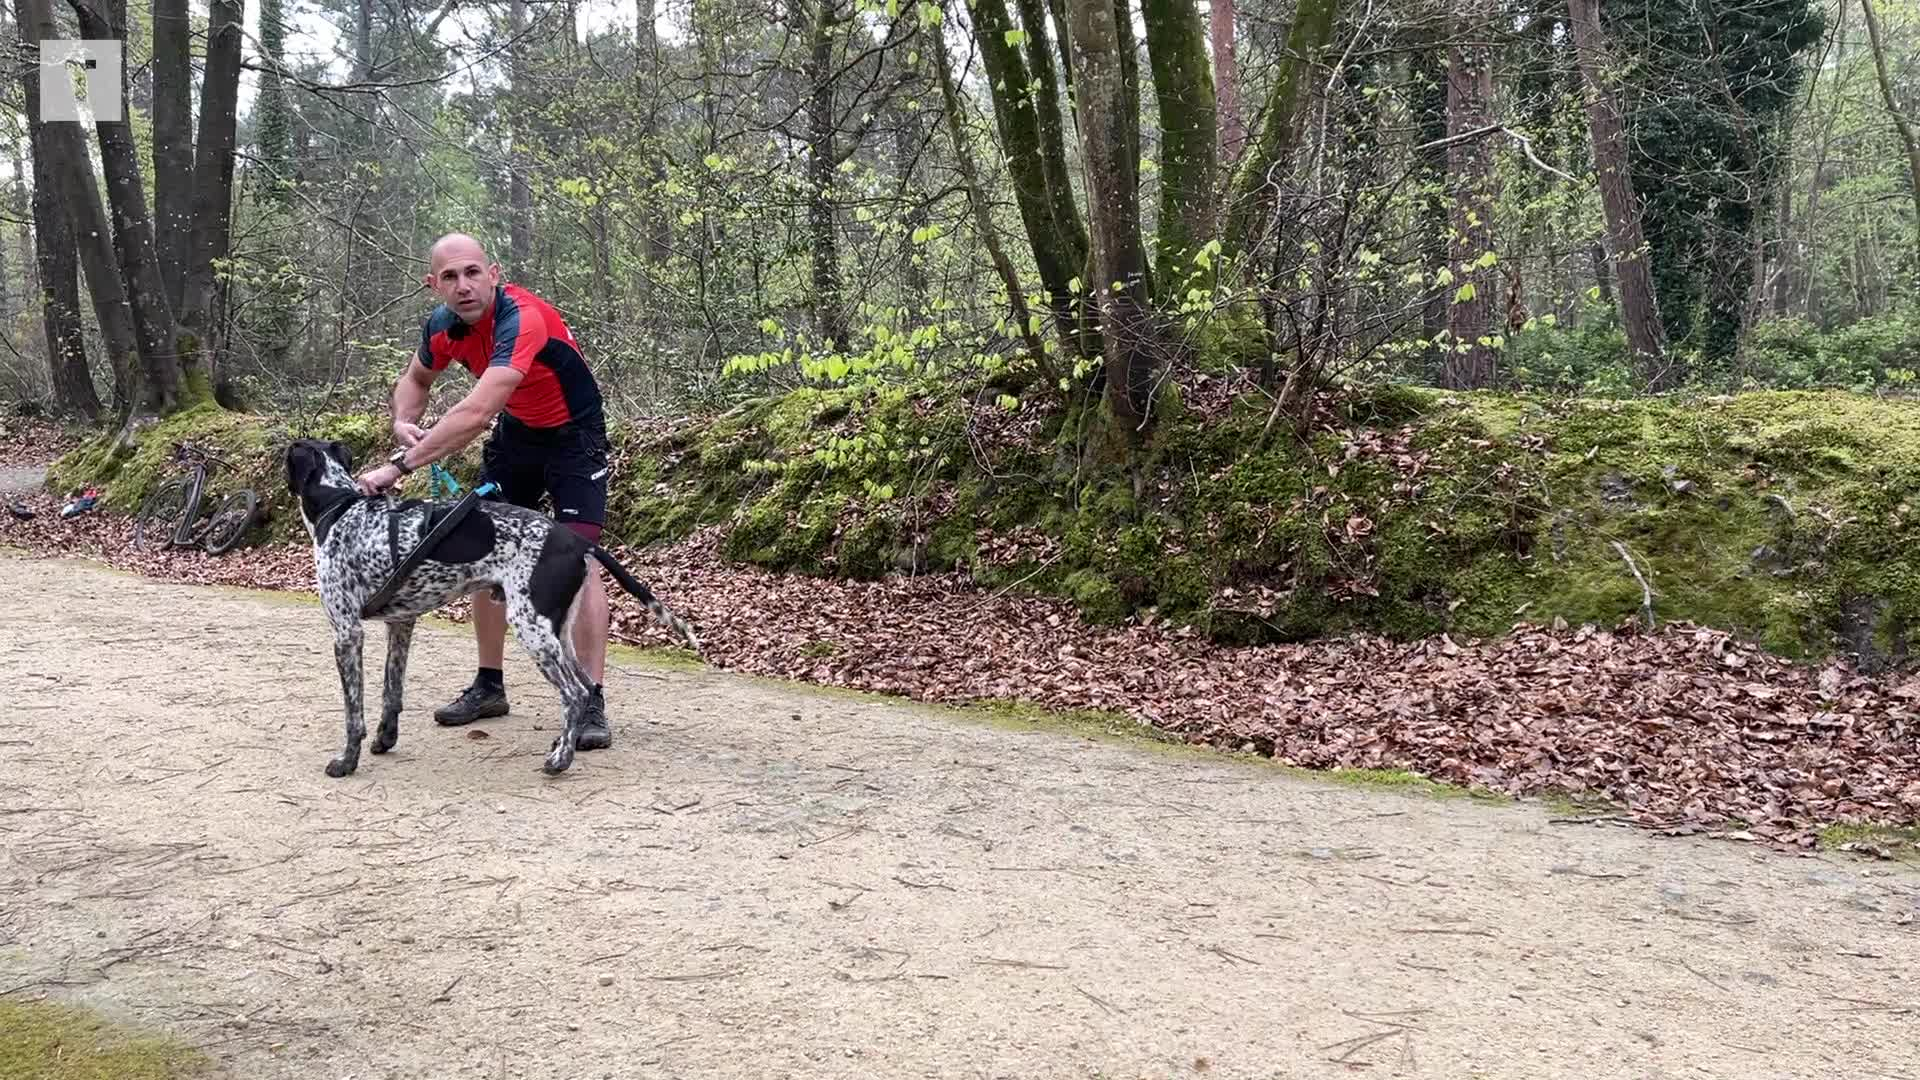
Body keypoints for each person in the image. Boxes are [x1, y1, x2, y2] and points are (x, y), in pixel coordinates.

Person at [353, 232, 617, 750]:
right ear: (433, 285)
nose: (463, 285)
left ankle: (590, 699)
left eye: (473, 272)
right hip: (517, 437)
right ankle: (489, 684)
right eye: (449, 277)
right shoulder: (442, 327)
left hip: (574, 437)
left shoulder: (523, 317)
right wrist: (404, 419)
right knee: (483, 546)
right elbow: (415, 379)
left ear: (494, 274)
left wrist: (398, 466)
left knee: (580, 559)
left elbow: (475, 413)